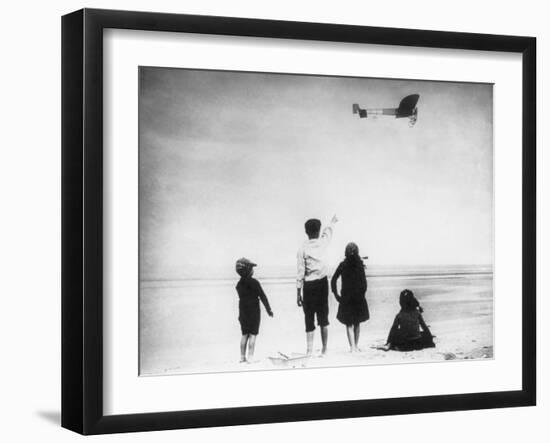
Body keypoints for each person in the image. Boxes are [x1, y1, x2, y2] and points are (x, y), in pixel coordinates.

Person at [296, 215, 338, 356]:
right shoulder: (322, 243)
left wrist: (298, 294)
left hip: (308, 286)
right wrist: (332, 222)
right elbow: (328, 232)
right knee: (323, 317)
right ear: (318, 231)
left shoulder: (302, 249)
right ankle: (325, 349)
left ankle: (309, 351)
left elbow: (300, 273)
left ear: (306, 232)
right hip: (322, 284)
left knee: (309, 318)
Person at [330, 242, 369, 352]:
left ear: (346, 252)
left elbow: (333, 280)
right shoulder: (360, 264)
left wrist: (336, 295)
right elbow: (364, 284)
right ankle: (355, 346)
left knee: (349, 323)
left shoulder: (343, 265)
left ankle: (352, 347)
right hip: (358, 297)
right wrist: (362, 295)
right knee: (357, 323)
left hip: (346, 298)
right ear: (357, 252)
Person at [235, 257, 273, 363]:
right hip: (254, 312)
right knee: (253, 334)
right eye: (251, 268)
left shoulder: (239, 284)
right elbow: (263, 296)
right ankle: (250, 358)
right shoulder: (255, 283)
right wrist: (269, 310)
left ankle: (242, 357)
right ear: (248, 270)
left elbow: (242, 298)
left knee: (244, 334)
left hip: (242, 311)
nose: (253, 270)